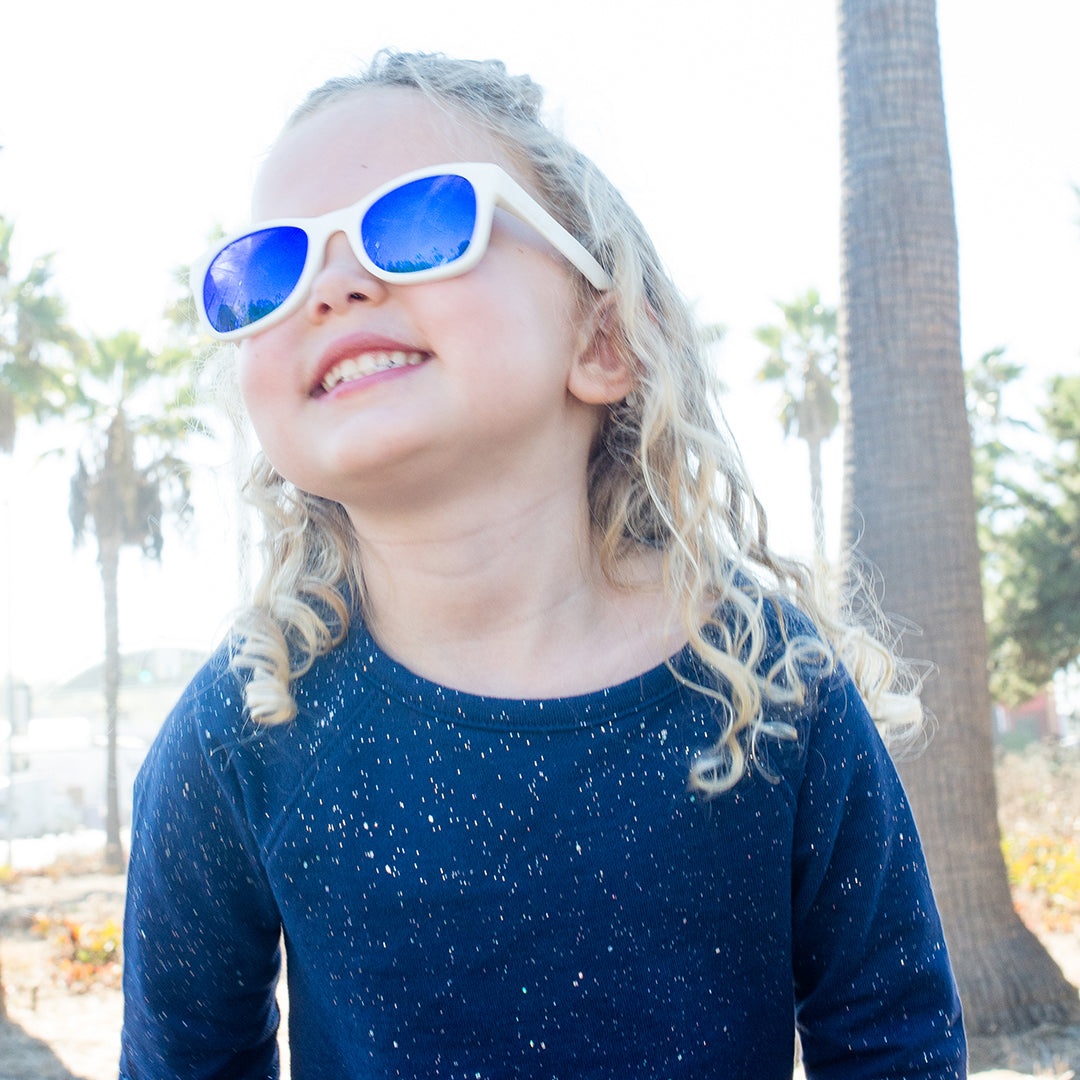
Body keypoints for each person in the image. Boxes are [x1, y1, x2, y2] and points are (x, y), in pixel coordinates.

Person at [120, 50, 966, 1080]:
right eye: (269, 270)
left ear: (603, 340)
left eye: (419, 222)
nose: (332, 287)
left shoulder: (770, 684)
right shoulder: (246, 726)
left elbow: (893, 1039)